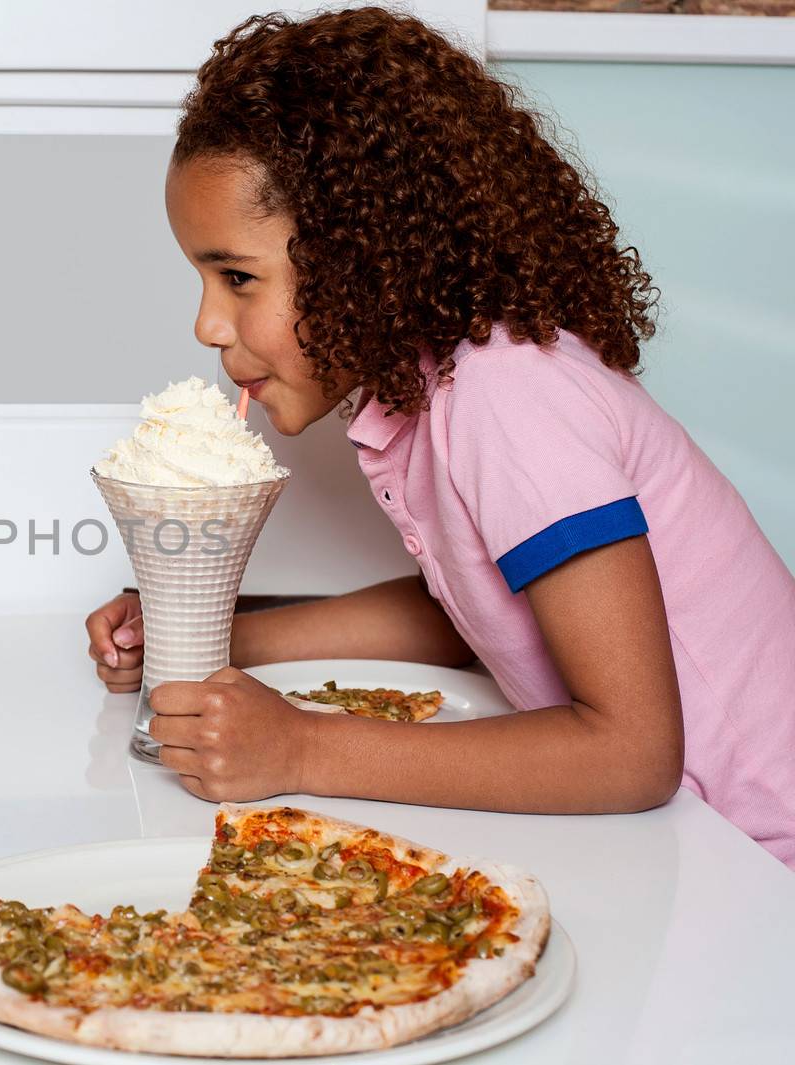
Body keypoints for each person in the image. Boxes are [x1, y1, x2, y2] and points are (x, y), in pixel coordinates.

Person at [86, 7, 795, 868]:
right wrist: (209, 636)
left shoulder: (509, 393)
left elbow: (635, 753)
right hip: (694, 852)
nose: (206, 323)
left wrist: (304, 746)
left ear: (361, 249)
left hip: (759, 864)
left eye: (237, 277)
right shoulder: (421, 399)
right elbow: (476, 614)